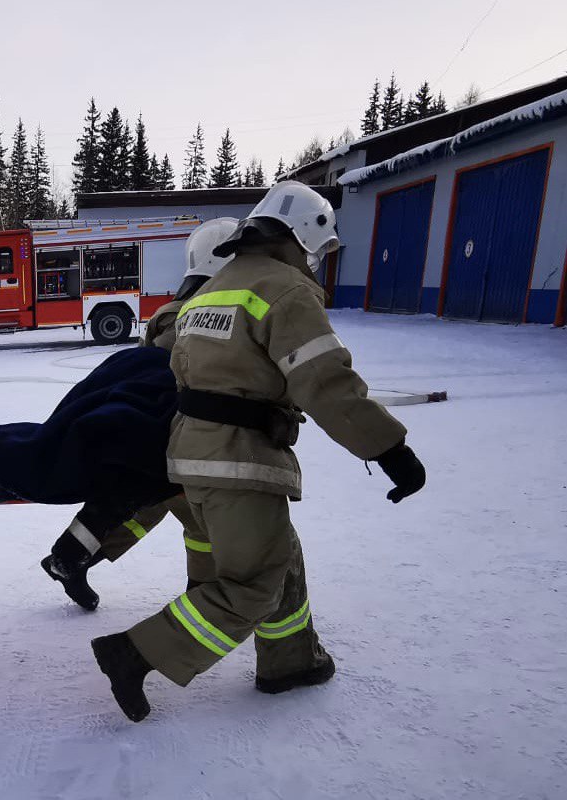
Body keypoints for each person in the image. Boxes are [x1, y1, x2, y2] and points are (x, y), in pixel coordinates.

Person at [91, 181, 427, 722]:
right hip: (238, 462)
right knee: (251, 583)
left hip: (192, 455)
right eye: (320, 250)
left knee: (278, 557)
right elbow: (325, 381)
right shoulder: (285, 290)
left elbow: (181, 371)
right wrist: (390, 449)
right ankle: (135, 653)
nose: (318, 262)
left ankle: (290, 661)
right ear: (303, 237)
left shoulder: (213, 289)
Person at [41, 218, 239, 611]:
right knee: (196, 523)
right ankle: (201, 597)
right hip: (189, 444)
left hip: (158, 441)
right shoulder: (211, 316)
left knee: (142, 506)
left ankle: (72, 555)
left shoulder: (171, 312)